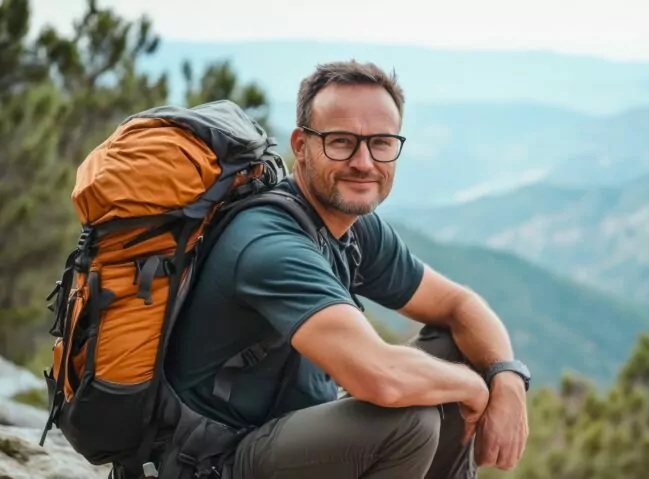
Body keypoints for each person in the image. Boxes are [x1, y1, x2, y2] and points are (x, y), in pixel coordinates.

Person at [164, 59, 531, 479]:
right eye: (341, 142)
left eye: (381, 142)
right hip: (215, 459)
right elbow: (380, 379)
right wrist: (474, 386)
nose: (364, 161)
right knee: (409, 422)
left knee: (461, 345)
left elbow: (459, 305)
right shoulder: (269, 245)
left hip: (282, 435)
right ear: (301, 145)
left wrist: (506, 376)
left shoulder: (353, 228)